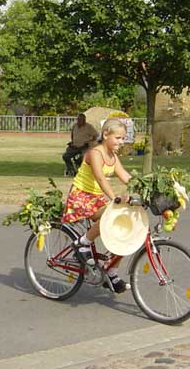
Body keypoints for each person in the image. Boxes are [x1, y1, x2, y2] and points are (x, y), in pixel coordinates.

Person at [62, 118, 132, 293]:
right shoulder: (95, 153)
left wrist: (146, 187)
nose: (121, 142)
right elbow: (100, 178)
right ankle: (82, 243)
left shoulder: (113, 157)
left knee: (126, 230)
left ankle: (112, 272)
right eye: (118, 138)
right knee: (112, 212)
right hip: (81, 196)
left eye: (123, 138)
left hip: (97, 199)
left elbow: (125, 176)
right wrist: (115, 198)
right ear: (106, 134)